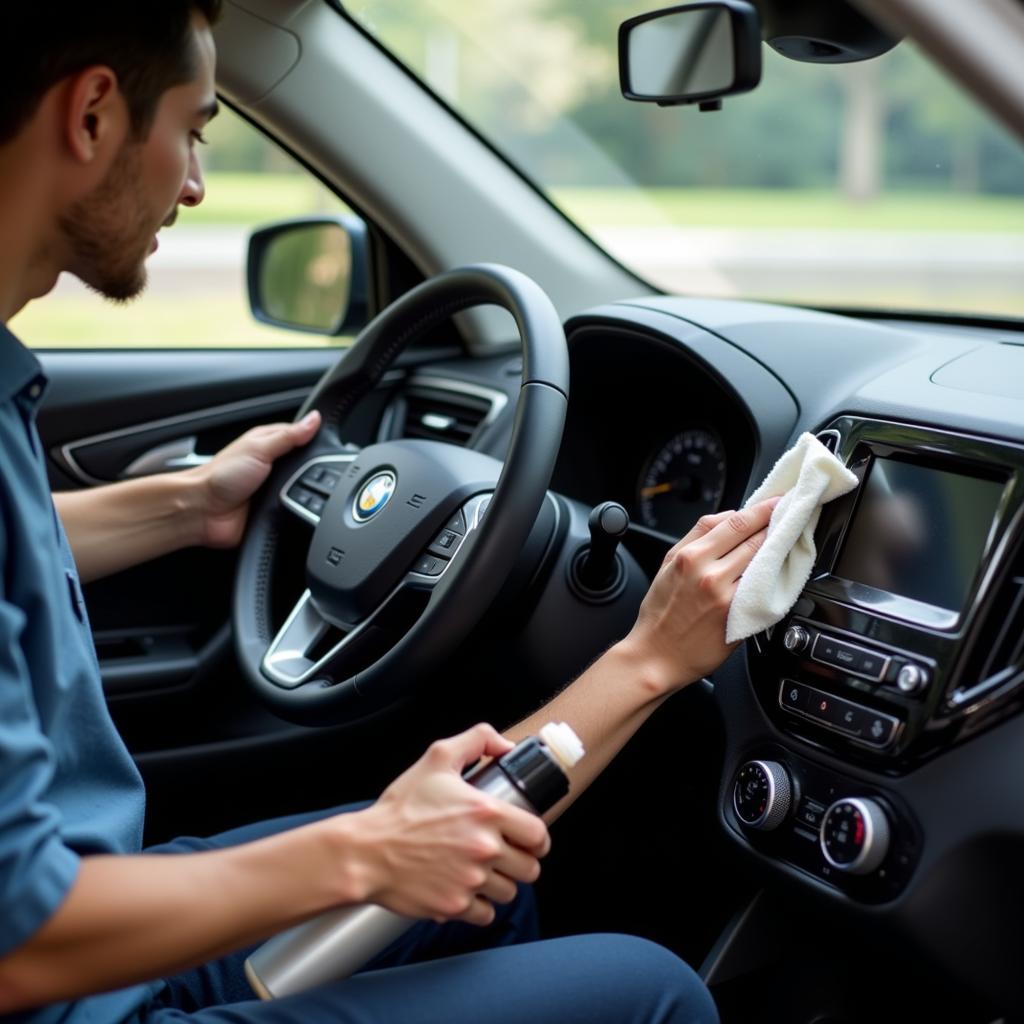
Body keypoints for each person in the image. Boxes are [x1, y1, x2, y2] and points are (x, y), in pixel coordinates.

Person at [0, 3, 777, 1022]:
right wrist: (370, 851)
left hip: (80, 923)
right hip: (54, 973)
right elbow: (22, 940)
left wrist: (192, 503)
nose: (194, 181)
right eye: (191, 129)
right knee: (652, 991)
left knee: (478, 893)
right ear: (94, 113)